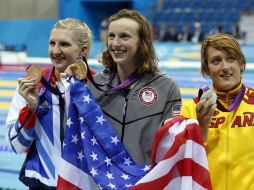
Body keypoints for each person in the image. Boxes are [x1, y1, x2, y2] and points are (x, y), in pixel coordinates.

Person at [86, 9, 182, 165]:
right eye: (112, 36)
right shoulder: (95, 85)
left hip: (146, 181)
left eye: (124, 36)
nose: (116, 43)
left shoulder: (166, 87)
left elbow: (172, 143)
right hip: (104, 181)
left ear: (141, 42)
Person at [5, 18, 93, 189]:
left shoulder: (97, 86)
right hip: (42, 183)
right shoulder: (31, 85)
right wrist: (31, 109)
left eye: (64, 44)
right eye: (52, 43)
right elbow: (16, 145)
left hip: (84, 184)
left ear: (82, 50)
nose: (55, 50)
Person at [180, 33, 254, 190]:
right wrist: (201, 128)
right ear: (207, 68)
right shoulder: (190, 109)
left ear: (241, 63)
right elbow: (183, 165)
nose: (225, 67)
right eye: (216, 61)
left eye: (231, 58)